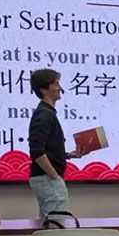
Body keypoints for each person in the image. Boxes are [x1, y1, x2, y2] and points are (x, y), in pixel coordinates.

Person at [28, 69, 84, 219]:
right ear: (43, 89)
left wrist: (68, 155)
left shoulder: (47, 113)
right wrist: (54, 176)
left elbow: (45, 150)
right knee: (57, 223)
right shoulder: (44, 114)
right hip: (47, 178)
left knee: (49, 222)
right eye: (56, 84)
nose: (60, 88)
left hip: (46, 177)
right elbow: (37, 151)